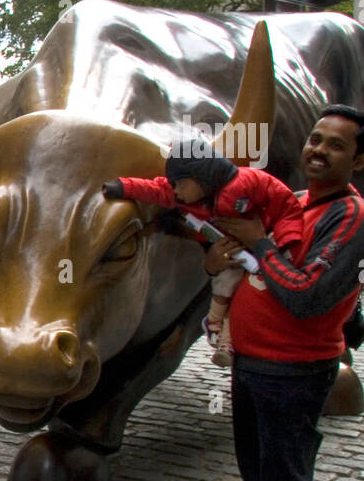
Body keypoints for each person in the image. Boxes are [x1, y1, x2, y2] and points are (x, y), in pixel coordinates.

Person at [205, 105, 364, 481]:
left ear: (360, 157)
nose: (318, 150)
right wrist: (219, 257)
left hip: (295, 373)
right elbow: (234, 267)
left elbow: (305, 294)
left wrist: (257, 242)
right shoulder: (294, 203)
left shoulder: (355, 217)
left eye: (335, 145)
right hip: (253, 365)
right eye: (314, 139)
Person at [102, 138, 303, 365]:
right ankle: (216, 325)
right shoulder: (188, 198)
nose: (176, 191)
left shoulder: (248, 182)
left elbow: (284, 203)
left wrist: (286, 239)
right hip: (232, 253)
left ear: (200, 177)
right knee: (226, 284)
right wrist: (122, 187)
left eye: (180, 184)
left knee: (243, 294)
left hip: (261, 248)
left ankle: (225, 339)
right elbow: (155, 189)